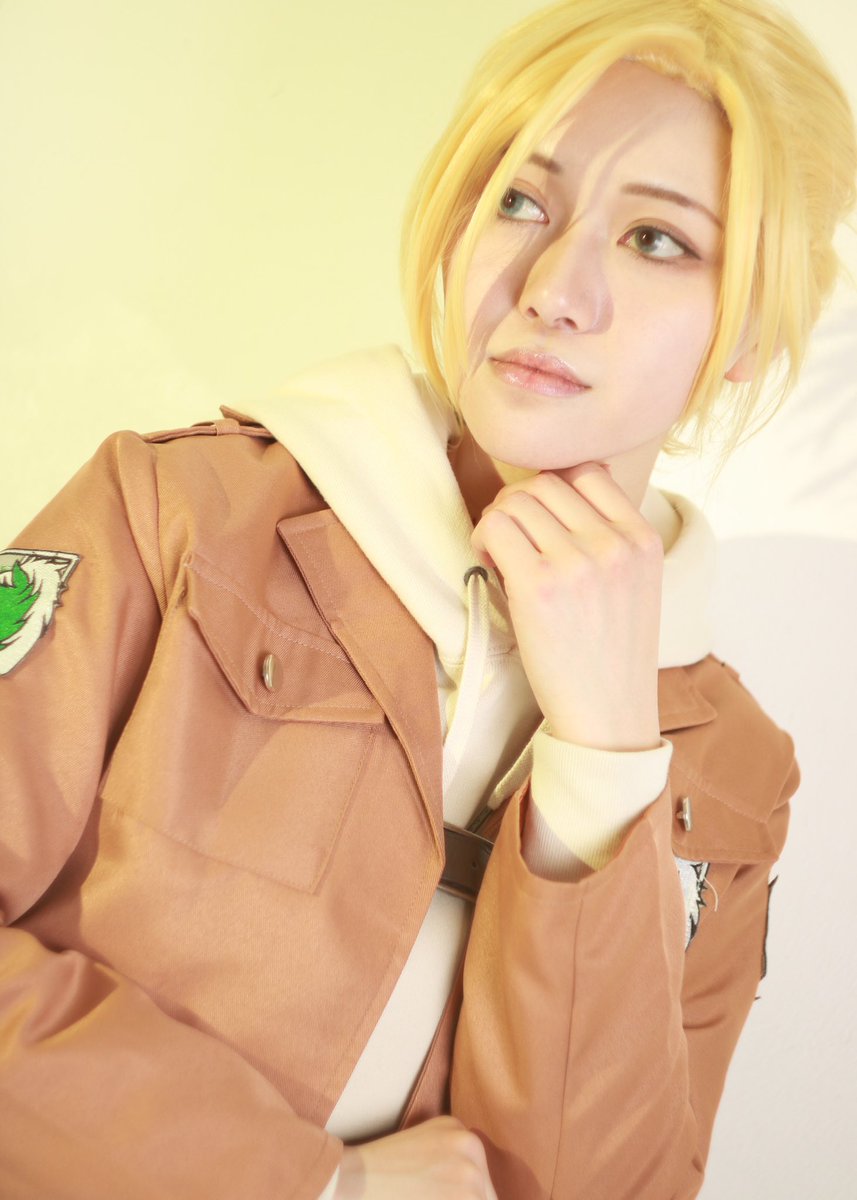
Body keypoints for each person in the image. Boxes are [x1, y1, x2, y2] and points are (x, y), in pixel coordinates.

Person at [0, 0, 854, 1196]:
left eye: (656, 239)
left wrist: (604, 754)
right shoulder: (178, 513)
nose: (554, 287)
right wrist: (311, 1185)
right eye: (522, 201)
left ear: (748, 338)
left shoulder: (733, 777)